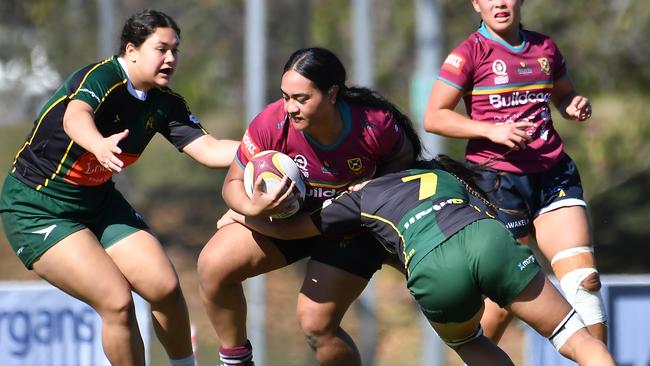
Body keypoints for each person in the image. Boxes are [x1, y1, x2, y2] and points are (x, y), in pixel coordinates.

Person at [0, 9, 238, 366]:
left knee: (165, 288)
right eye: (161, 49)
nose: (171, 58)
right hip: (36, 206)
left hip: (97, 201)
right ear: (131, 51)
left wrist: (260, 150)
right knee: (117, 301)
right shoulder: (103, 76)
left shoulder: (164, 102)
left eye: (175, 50)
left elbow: (208, 149)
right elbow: (74, 116)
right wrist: (98, 144)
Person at [218, 155, 615, 366]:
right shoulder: (441, 172)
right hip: (486, 240)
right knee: (575, 338)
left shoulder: (359, 197)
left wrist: (245, 213)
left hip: (432, 268)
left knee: (471, 342)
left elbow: (293, 230)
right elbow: (503, 218)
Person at [197, 47, 422, 366]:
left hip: (351, 227)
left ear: (332, 93)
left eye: (301, 98)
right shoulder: (271, 122)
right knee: (214, 265)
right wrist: (254, 206)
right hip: (292, 221)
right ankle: (236, 361)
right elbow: (232, 184)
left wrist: (374, 189)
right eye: (285, 96)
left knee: (316, 325)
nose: (290, 107)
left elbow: (405, 161)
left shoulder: (373, 125)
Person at [423, 0, 607, 344]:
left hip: (553, 175)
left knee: (585, 281)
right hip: (498, 183)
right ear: (476, 4)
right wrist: (491, 131)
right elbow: (434, 117)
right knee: (506, 302)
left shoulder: (545, 47)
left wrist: (574, 105)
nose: (499, 3)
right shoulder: (468, 54)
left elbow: (564, 96)